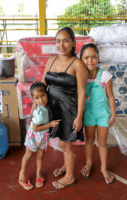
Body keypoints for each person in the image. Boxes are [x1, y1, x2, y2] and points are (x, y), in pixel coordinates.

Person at [41, 27, 87, 189]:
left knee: (67, 145)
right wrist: (35, 107)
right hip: (54, 109)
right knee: (62, 143)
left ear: (74, 43)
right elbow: (42, 85)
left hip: (69, 110)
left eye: (66, 40)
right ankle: (66, 166)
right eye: (58, 41)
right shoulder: (50, 61)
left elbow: (82, 92)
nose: (62, 45)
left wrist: (79, 116)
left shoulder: (78, 64)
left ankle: (69, 177)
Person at [79, 43, 116, 185]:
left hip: (103, 115)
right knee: (89, 141)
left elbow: (111, 96)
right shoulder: (80, 76)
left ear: (98, 58)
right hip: (88, 115)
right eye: (86, 57)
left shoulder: (105, 75)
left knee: (102, 142)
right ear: (81, 59)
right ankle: (88, 163)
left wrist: (113, 114)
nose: (90, 60)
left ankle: (103, 168)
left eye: (93, 57)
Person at [19, 82, 61, 190]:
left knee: (40, 155)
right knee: (28, 155)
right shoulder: (39, 112)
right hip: (34, 135)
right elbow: (35, 128)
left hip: (43, 136)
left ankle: (39, 175)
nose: (41, 100)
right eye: (37, 98)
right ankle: (22, 175)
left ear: (47, 95)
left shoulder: (46, 107)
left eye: (42, 96)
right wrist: (50, 124)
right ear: (33, 99)